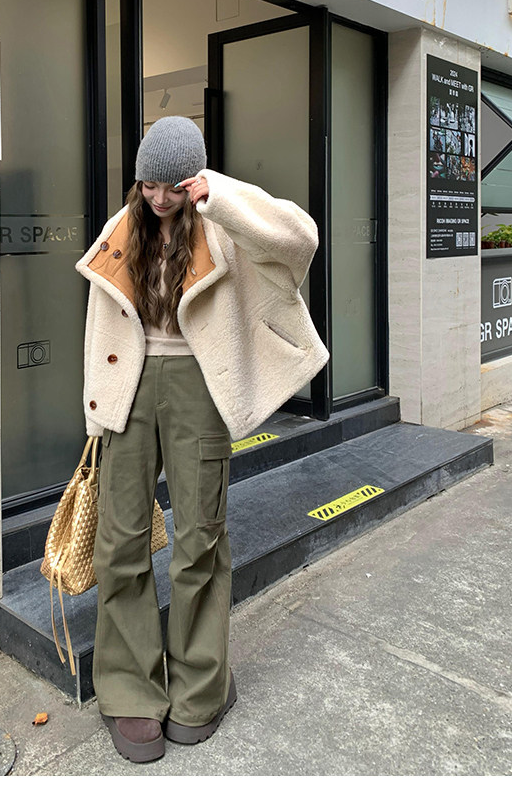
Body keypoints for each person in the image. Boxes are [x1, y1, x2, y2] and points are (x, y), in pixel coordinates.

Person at [75, 116, 329, 762]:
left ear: (194, 179)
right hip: (129, 390)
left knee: (200, 539)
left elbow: (301, 239)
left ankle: (199, 688)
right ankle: (131, 692)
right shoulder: (121, 228)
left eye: (173, 186)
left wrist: (222, 195)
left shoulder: (222, 226)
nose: (159, 198)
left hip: (199, 387)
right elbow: (100, 326)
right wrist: (96, 415)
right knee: (121, 541)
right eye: (149, 185)